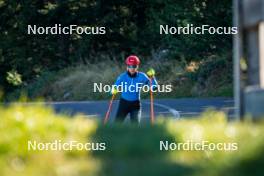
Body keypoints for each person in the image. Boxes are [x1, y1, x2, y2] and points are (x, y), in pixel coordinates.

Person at [111, 55, 158, 123]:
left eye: (134, 66)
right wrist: (113, 90)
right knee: (117, 124)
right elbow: (114, 87)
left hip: (135, 105)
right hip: (124, 104)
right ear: (127, 67)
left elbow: (154, 87)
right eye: (130, 66)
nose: (132, 68)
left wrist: (152, 77)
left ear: (137, 66)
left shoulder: (142, 76)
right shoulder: (122, 76)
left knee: (135, 126)